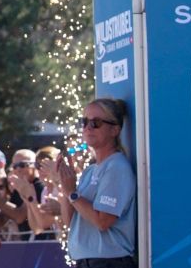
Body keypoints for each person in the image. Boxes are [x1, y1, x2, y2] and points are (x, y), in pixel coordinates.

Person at [58, 98, 136, 268]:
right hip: (86, 261)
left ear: (115, 130)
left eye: (96, 123)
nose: (87, 127)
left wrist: (73, 193)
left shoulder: (116, 167)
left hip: (109, 262)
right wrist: (64, 186)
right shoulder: (90, 170)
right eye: (84, 121)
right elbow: (70, 221)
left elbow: (103, 222)